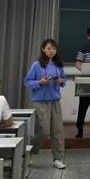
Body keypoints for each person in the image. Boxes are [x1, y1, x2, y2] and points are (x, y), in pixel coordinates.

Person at [24, 39, 67, 169]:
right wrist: (40, 82)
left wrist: (60, 81)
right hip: (40, 102)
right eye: (49, 48)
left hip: (55, 101)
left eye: (54, 48)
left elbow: (64, 81)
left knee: (58, 131)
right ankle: (29, 152)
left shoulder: (58, 65)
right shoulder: (37, 65)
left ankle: (57, 158)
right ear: (43, 49)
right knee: (43, 131)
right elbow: (27, 82)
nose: (51, 51)